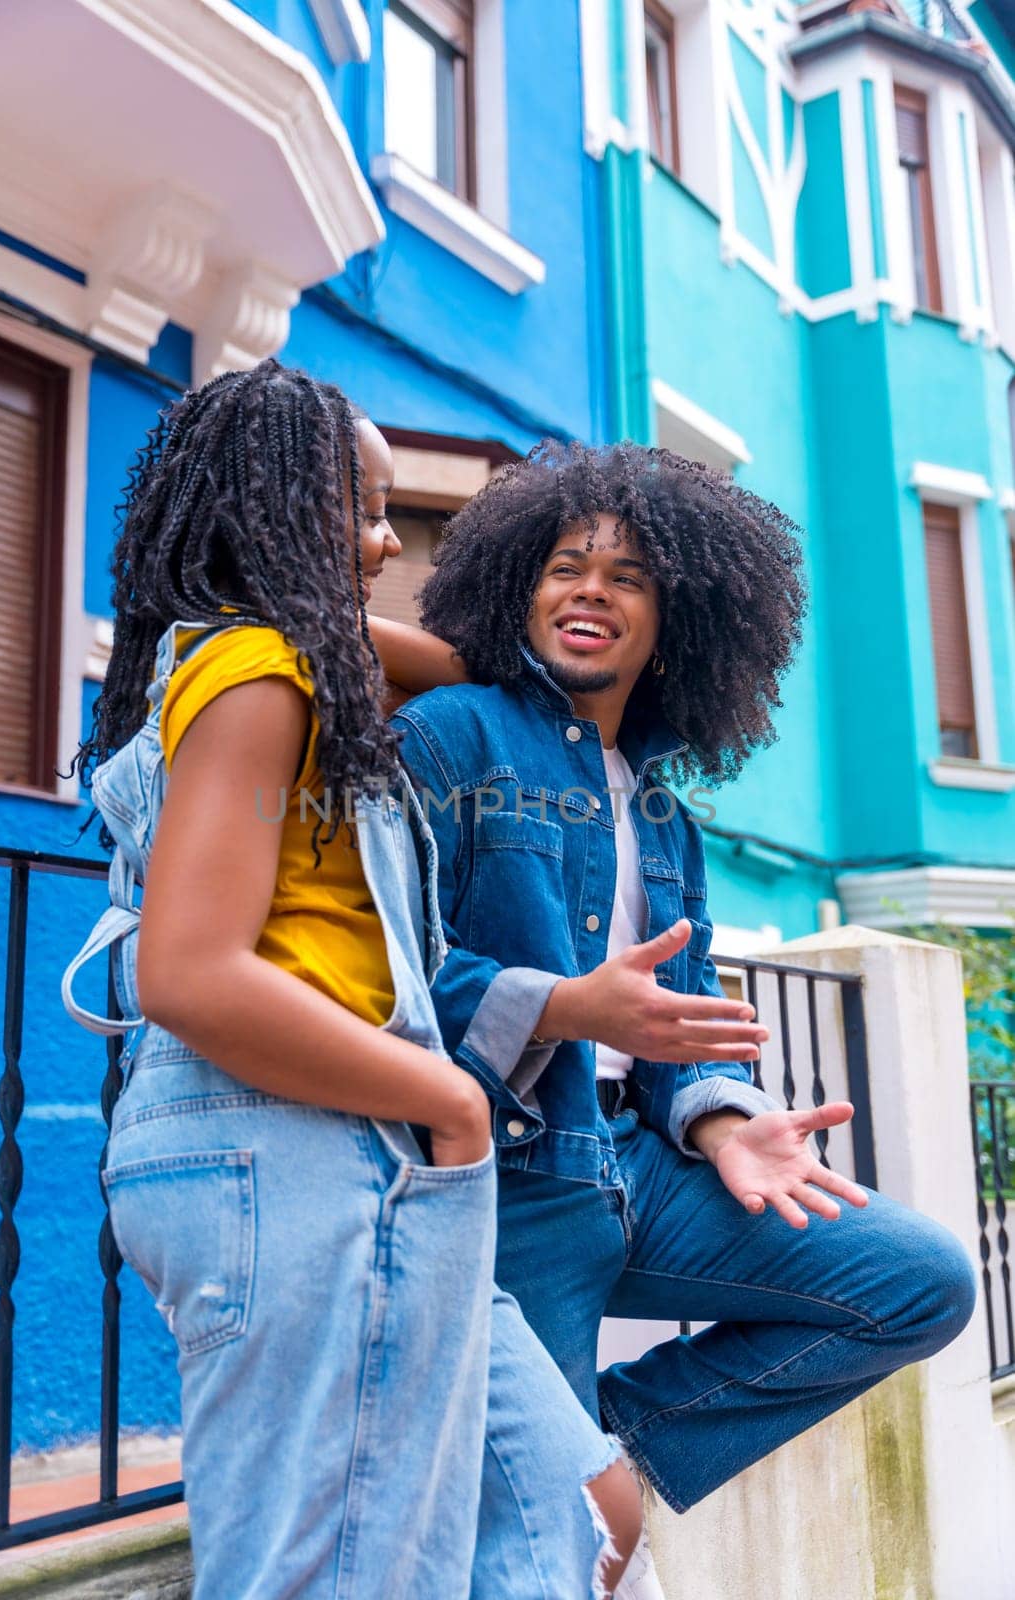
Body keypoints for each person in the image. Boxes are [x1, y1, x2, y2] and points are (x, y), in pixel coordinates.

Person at [62, 368, 642, 1600]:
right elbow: (188, 971)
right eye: (364, 508)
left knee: (579, 1513)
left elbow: (468, 664)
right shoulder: (258, 672)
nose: (386, 541)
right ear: (272, 502)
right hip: (286, 1145)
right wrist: (453, 1099)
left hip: (349, 1153)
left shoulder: (278, 656)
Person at [392, 440, 978, 1600]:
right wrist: (558, 1006)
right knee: (562, 1562)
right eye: (564, 566)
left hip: (644, 1170)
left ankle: (604, 1442)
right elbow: (385, 975)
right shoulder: (453, 735)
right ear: (520, 589)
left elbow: (677, 1023)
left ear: (677, 619)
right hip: (515, 1184)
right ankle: (562, 1471)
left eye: (627, 577)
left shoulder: (660, 810)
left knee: (920, 1281)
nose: (590, 591)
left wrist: (720, 1124)